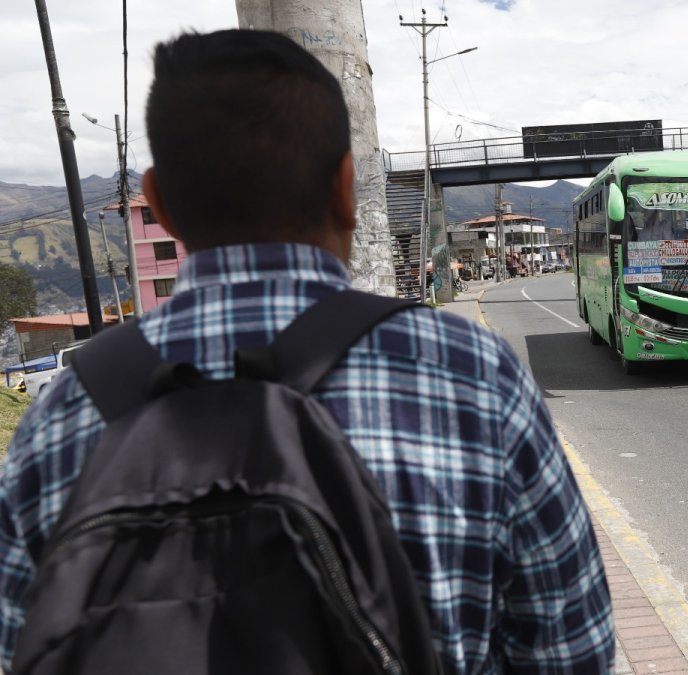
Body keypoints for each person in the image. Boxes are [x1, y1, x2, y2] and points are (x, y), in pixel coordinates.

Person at [0, 30, 613, 674]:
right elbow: (571, 651)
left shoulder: (63, 415)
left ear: (159, 204)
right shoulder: (468, 374)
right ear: (347, 189)